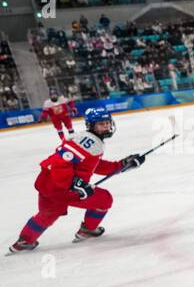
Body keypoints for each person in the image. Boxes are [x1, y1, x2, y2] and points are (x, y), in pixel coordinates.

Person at [10, 106, 148, 253]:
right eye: (101, 124)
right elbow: (60, 163)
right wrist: (73, 183)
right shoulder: (90, 142)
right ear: (91, 125)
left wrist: (121, 165)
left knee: (48, 214)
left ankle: (24, 241)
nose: (106, 126)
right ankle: (88, 230)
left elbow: (92, 164)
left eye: (107, 123)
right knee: (104, 199)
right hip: (62, 186)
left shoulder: (85, 138)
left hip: (47, 183)